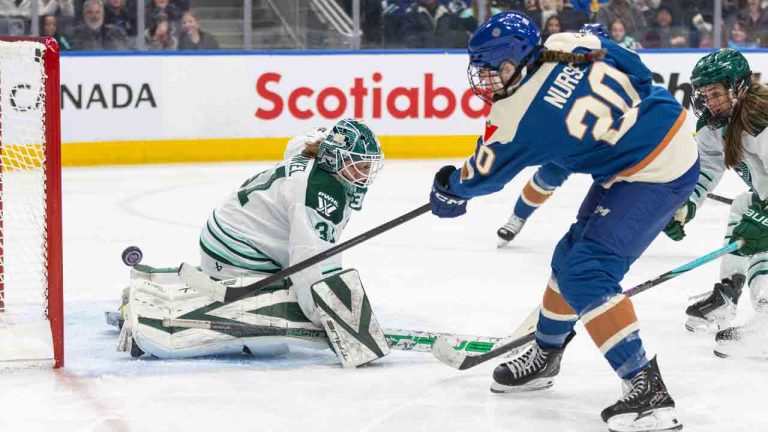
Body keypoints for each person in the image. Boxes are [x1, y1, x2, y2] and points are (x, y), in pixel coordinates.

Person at [429, 11, 699, 431]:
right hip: (657, 141)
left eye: (487, 70)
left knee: (588, 273)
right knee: (568, 258)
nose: (482, 81)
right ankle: (546, 356)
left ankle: (649, 391)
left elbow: (481, 177)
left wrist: (449, 188)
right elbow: (641, 76)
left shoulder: (516, 117)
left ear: (509, 63)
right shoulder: (566, 45)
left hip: (653, 171)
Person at [114, 119, 390, 368]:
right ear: (334, 159)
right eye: (359, 165)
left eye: (368, 165)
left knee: (299, 289)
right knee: (272, 338)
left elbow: (298, 144)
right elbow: (308, 262)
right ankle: (163, 318)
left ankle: (159, 285)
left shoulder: (315, 154)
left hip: (227, 234)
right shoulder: (321, 194)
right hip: (241, 252)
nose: (365, 174)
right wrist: (324, 316)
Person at [662, 49, 768, 359]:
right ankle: (728, 293)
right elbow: (705, 167)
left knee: (757, 229)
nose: (709, 101)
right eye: (704, 94)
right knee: (743, 206)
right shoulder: (715, 125)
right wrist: (686, 205)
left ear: (739, 87)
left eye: (716, 93)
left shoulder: (761, 121)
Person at [496, 23, 607, 246]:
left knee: (618, 184)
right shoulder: (561, 65)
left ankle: (610, 230)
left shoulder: (616, 69)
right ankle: (517, 218)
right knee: (548, 176)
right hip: (570, 137)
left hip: (604, 141)